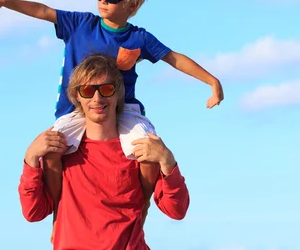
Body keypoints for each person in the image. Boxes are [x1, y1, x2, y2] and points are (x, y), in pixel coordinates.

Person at [0, 0, 222, 227]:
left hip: (124, 108)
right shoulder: (81, 24)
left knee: (147, 148)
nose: (103, 0)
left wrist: (212, 81)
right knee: (52, 151)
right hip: (75, 108)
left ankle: (142, 208)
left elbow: (173, 58)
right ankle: (59, 213)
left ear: (132, 5)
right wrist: (5, 2)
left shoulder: (138, 37)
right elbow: (42, 10)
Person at [19, 53, 190, 249]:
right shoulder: (62, 153)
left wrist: (168, 163)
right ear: (77, 96)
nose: (97, 98)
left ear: (118, 94)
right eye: (87, 90)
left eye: (107, 89)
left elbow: (177, 211)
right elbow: (33, 213)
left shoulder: (139, 150)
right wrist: (30, 159)